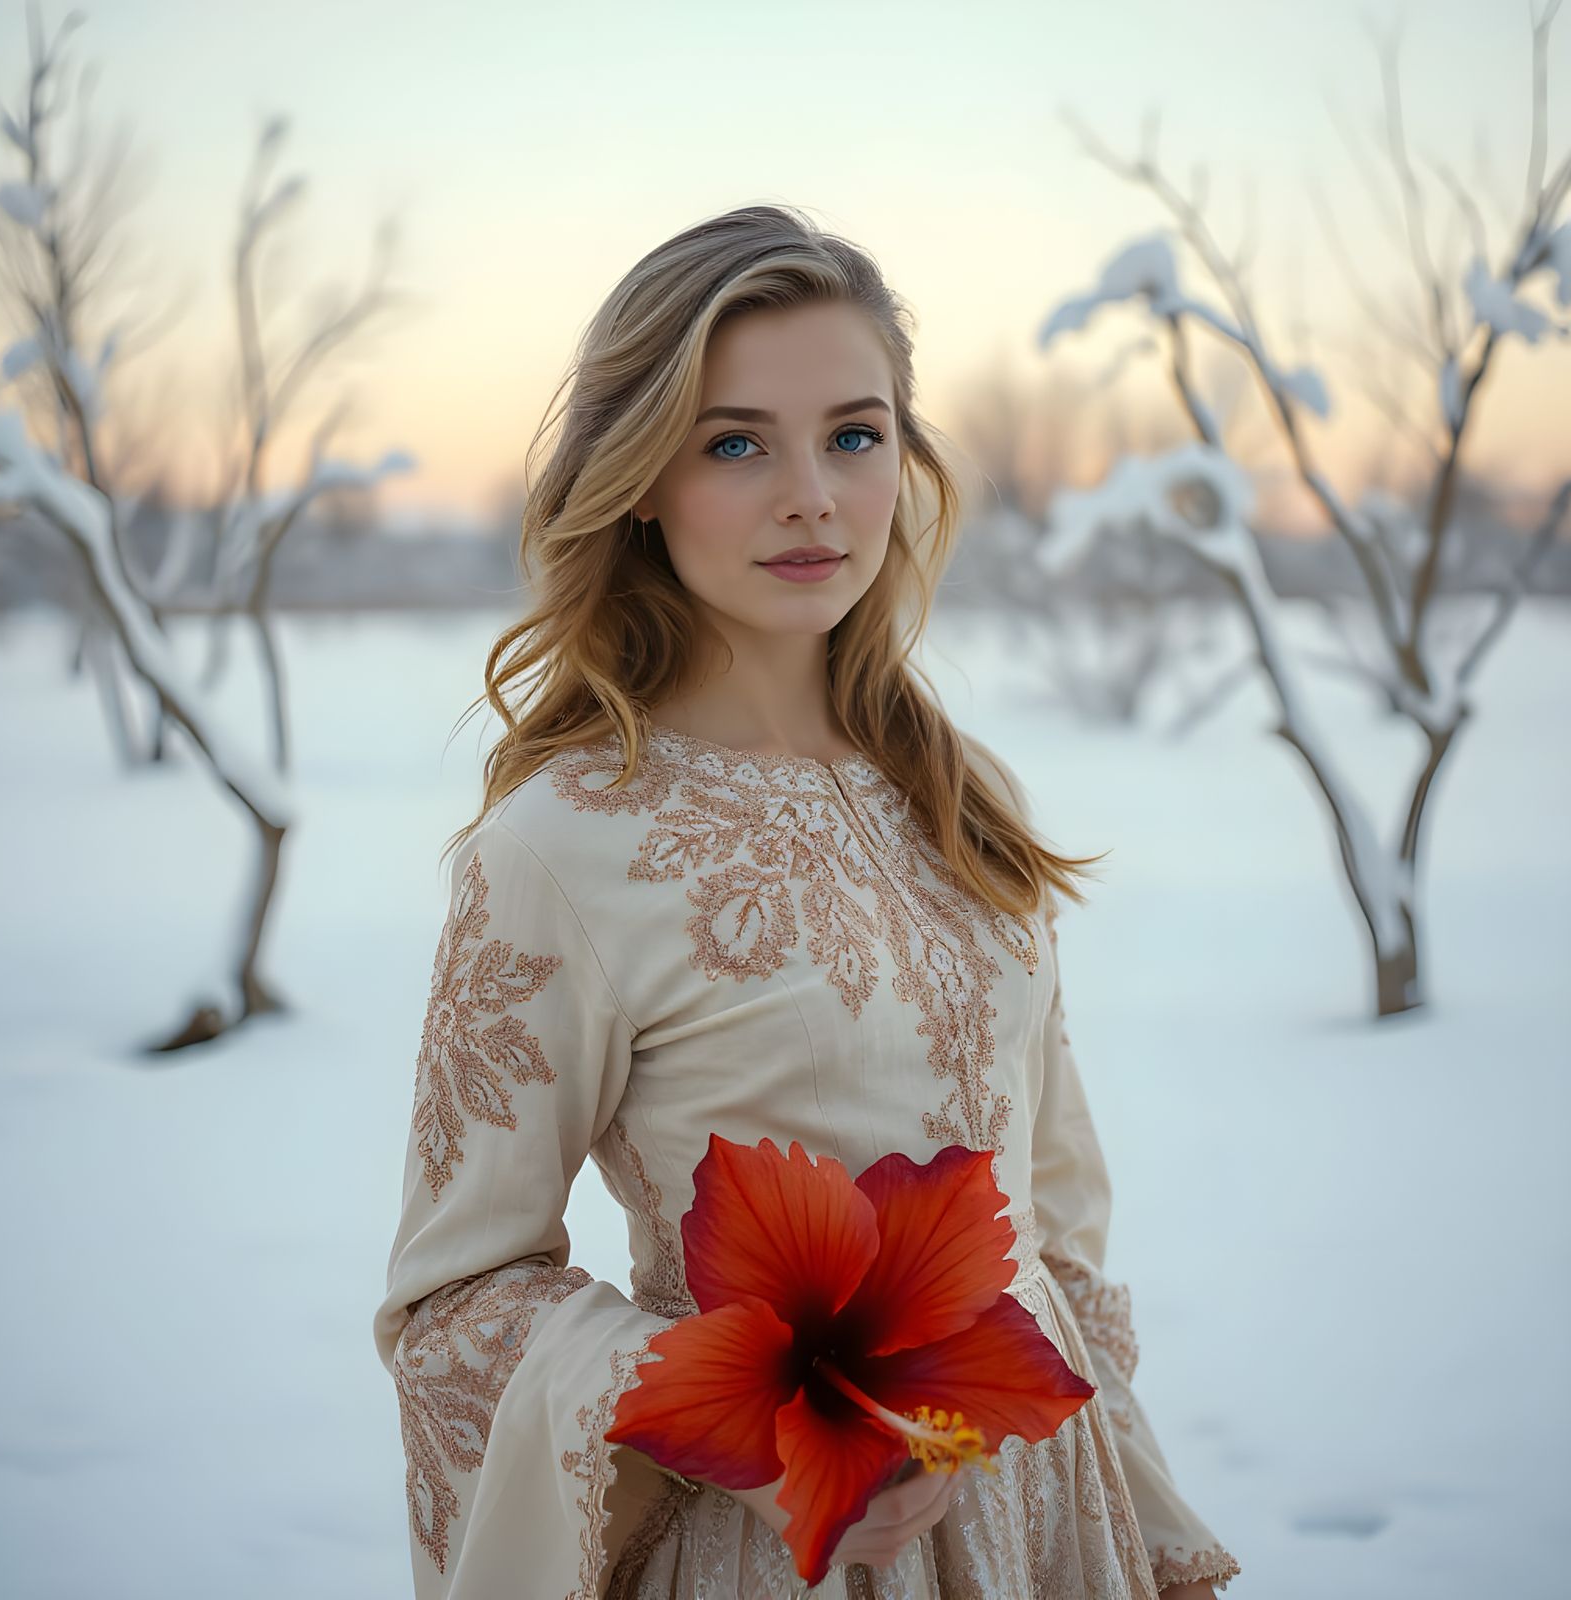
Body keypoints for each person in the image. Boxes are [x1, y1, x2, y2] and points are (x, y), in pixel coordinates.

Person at [372, 203, 1241, 1599]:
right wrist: (775, 1440)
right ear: (641, 477)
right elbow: (455, 1307)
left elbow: (1057, 1228)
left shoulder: (961, 793)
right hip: (782, 1552)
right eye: (735, 443)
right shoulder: (561, 848)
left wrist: (1134, 1527)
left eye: (854, 434)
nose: (812, 496)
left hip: (1040, 1517)